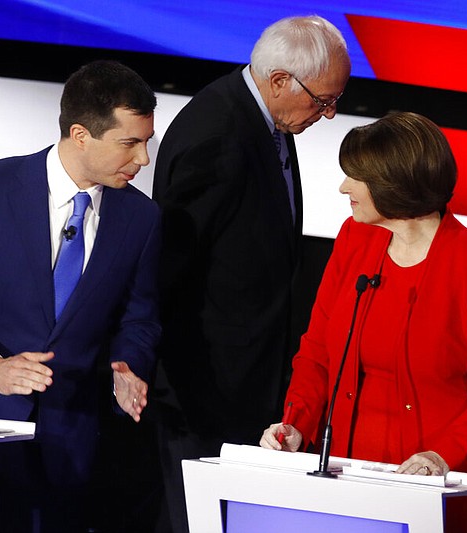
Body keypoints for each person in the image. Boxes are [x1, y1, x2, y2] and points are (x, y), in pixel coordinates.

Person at [0, 60, 161, 532]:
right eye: (130, 143)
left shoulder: (141, 219)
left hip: (65, 443)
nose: (143, 159)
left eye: (146, 142)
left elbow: (139, 318)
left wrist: (127, 366)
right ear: (81, 134)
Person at [150, 14, 351, 533]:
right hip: (205, 391)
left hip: (250, 384)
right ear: (280, 80)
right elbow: (169, 271)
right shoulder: (215, 133)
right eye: (323, 100)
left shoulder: (265, 120)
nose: (329, 115)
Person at [260, 111, 467, 492]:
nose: (342, 187)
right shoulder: (355, 237)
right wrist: (296, 424)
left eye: (356, 176)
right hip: (344, 466)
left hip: (435, 478)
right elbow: (317, 351)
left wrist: (440, 456)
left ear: (393, 185)